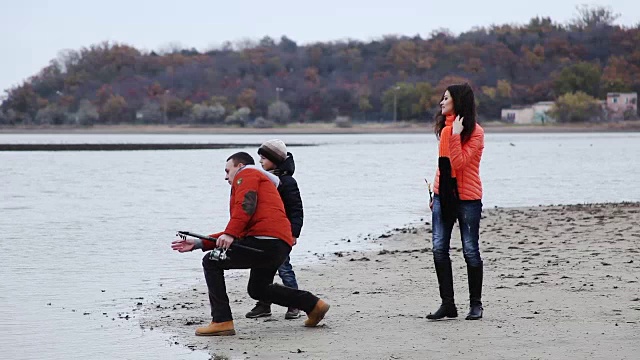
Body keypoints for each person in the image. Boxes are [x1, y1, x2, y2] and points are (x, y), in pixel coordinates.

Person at [171, 152, 329, 336]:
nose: (225, 176)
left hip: (264, 241)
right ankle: (314, 305)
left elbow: (246, 205)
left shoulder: (247, 174)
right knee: (258, 289)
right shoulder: (262, 183)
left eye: (227, 170)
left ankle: (221, 321)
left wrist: (230, 233)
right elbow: (243, 226)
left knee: (211, 262)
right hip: (278, 244)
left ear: (239, 166)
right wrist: (199, 243)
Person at [427, 83, 485, 321]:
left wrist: (456, 135)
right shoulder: (445, 128)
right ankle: (448, 304)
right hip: (443, 196)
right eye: (442, 98)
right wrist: (435, 193)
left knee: (470, 250)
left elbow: (457, 163)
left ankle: (476, 305)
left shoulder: (476, 133)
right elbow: (442, 166)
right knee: (439, 249)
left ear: (458, 102)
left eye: (446, 99)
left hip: (468, 199)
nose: (441, 102)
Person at [245, 139, 304, 320]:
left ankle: (295, 303)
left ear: (275, 159)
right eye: (260, 158)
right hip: (264, 232)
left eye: (263, 158)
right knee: (261, 268)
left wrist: (293, 233)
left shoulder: (287, 182)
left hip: (281, 234)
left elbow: (296, 209)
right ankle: (264, 304)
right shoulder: (263, 180)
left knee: (283, 267)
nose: (261, 162)